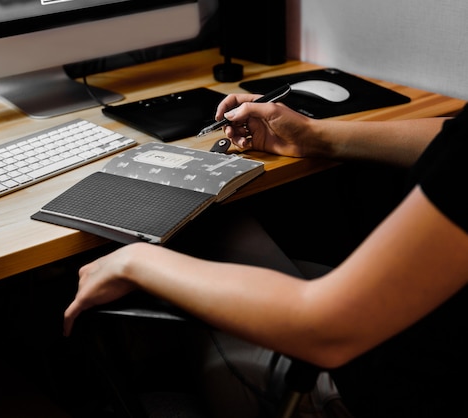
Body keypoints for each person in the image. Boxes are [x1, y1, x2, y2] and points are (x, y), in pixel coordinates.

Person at [63, 94, 468, 417]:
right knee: (225, 230)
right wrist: (314, 135)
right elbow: (454, 142)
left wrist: (135, 261)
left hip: (372, 385)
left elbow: (325, 328)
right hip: (416, 325)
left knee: (187, 244)